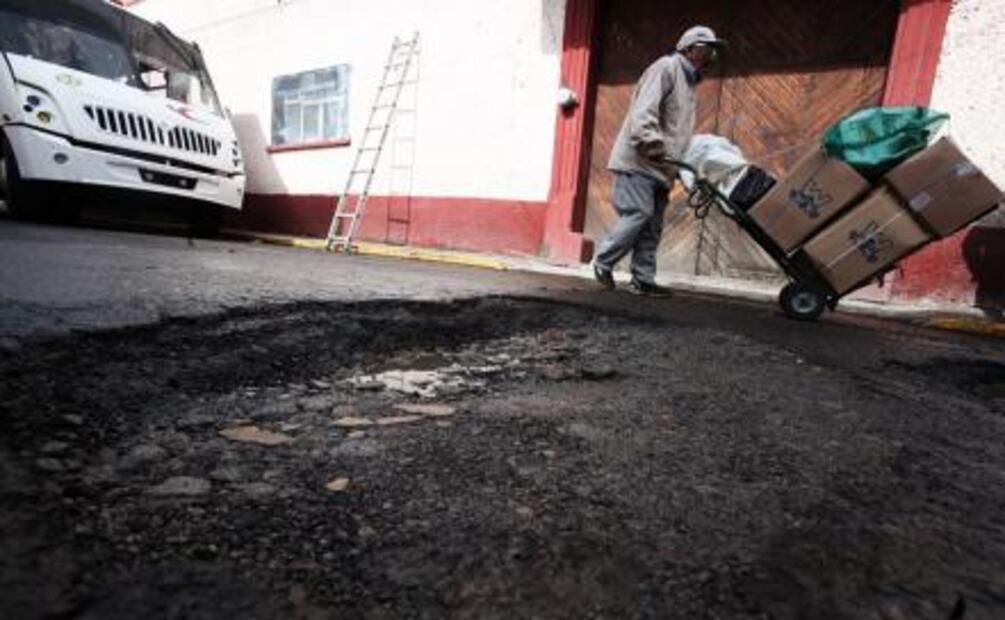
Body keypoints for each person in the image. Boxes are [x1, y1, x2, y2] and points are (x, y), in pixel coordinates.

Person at [593, 25, 725, 296]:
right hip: (639, 161)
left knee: (652, 225)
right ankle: (603, 261)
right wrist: (652, 142)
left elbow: (676, 130)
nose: (712, 54)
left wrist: (682, 165)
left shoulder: (689, 83)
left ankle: (643, 279)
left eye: (714, 50)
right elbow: (645, 110)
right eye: (706, 47)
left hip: (662, 168)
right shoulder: (666, 68)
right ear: (688, 48)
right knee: (638, 214)